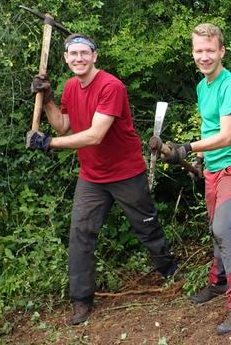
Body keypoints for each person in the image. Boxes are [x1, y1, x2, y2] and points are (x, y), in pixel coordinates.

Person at [26, 33, 177, 325]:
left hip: (125, 171)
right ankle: (81, 301)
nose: (79, 58)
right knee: (80, 233)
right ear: (66, 59)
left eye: (85, 53)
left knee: (146, 227)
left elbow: (95, 136)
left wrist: (48, 144)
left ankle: (171, 271)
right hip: (92, 176)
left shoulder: (111, 86)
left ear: (95, 56)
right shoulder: (71, 86)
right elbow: (63, 125)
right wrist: (47, 99)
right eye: (73, 54)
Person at [150, 23, 231, 335]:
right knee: (215, 229)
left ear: (222, 51)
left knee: (223, 228)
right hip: (212, 168)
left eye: (210, 50)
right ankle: (220, 281)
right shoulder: (202, 86)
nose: (205, 56)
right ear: (193, 53)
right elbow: (211, 128)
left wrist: (186, 147)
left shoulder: (230, 86)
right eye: (199, 51)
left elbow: (225, 135)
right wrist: (198, 158)